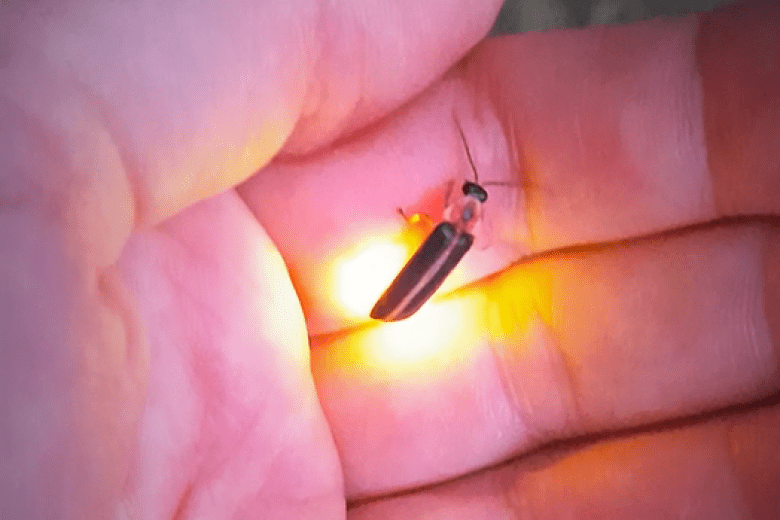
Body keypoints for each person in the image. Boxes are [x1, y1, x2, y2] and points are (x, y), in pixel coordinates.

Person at [2, 0, 778, 518]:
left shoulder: (456, 231)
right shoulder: (464, 231)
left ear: (462, 211)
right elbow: (435, 226)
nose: (461, 203)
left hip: (401, 297)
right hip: (397, 301)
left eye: (461, 202)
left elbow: (429, 227)